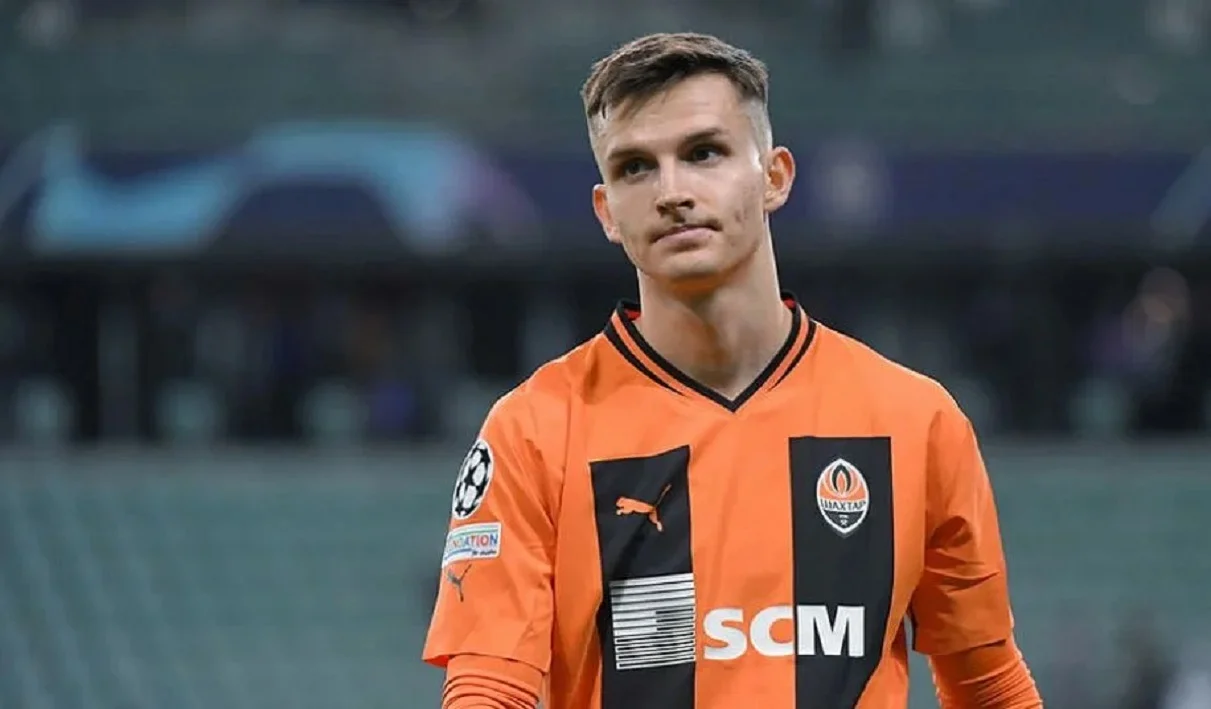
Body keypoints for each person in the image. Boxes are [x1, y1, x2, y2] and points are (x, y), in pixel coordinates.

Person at [422, 32, 1043, 709]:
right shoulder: (533, 431)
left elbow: (988, 685)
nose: (671, 192)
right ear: (606, 212)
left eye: (703, 153)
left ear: (774, 176)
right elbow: (487, 691)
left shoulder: (916, 422)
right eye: (635, 167)